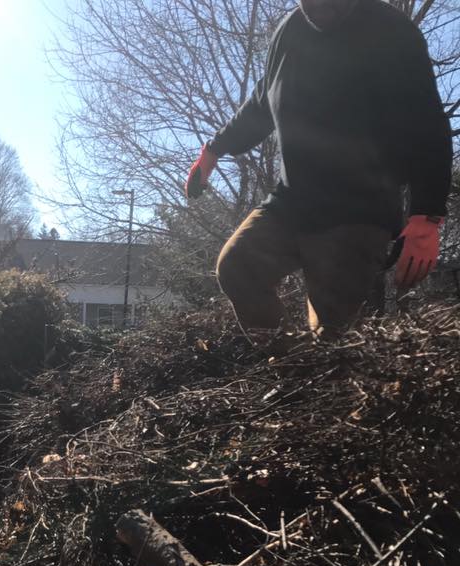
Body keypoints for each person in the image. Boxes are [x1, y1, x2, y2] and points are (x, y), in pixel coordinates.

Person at [185, 0, 452, 338]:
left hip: (359, 210)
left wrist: (426, 217)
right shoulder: (289, 31)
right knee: (238, 266)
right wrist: (215, 149)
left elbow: (426, 123)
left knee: (330, 335)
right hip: (292, 200)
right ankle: (285, 366)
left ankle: (319, 372)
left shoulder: (392, 31)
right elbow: (261, 102)